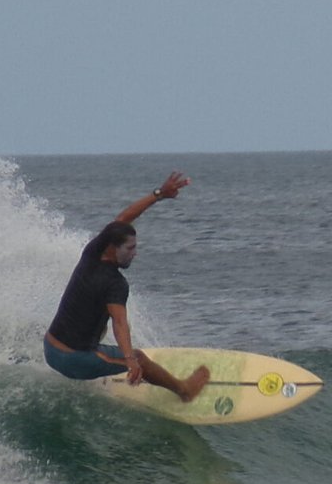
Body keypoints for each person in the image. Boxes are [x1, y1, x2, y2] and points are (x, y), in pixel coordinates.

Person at [43, 172, 209, 402]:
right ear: (113, 248)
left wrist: (159, 194)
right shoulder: (115, 283)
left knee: (96, 320)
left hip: (50, 348)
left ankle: (102, 364)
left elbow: (124, 218)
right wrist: (131, 360)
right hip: (71, 360)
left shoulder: (92, 253)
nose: (135, 253)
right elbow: (120, 323)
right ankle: (185, 391)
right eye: (129, 249)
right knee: (140, 358)